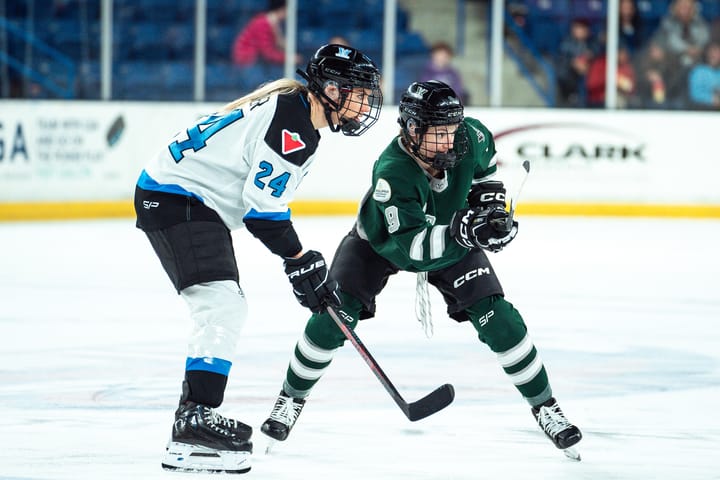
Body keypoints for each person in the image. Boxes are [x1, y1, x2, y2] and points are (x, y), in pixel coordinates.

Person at [260, 80, 583, 458]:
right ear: (412, 130)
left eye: (452, 130)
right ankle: (291, 399)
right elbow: (413, 248)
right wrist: (467, 231)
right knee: (333, 319)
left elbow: (486, 172)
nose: (449, 141)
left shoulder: (471, 135)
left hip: (451, 240)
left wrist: (491, 210)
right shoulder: (393, 171)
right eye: (439, 133)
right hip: (379, 245)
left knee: (500, 319)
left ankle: (546, 407)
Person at [133, 44, 382, 474]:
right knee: (222, 305)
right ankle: (194, 421)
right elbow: (262, 212)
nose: (364, 103)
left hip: (184, 198)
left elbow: (263, 208)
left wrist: (298, 261)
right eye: (357, 92)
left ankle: (191, 419)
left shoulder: (294, 111)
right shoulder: (295, 126)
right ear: (330, 89)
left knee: (222, 305)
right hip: (178, 199)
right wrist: (299, 259)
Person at [231, 0, 301, 71]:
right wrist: (288, 58)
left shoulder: (274, 24)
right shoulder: (262, 23)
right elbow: (267, 53)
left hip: (258, 63)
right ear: (282, 9)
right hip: (248, 64)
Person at [653, 0, 710, 69]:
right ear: (674, 8)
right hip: (672, 63)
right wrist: (687, 49)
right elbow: (670, 42)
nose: (685, 10)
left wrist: (697, 49)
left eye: (689, 7)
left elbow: (704, 40)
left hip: (697, 63)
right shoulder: (666, 23)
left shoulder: (701, 23)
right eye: (682, 6)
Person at [555, 18, 598, 107]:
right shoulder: (567, 43)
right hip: (567, 85)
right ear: (573, 29)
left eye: (584, 28)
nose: (581, 30)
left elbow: (594, 53)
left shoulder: (592, 43)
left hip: (588, 83)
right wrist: (576, 62)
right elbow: (570, 60)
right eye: (578, 27)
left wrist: (588, 57)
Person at [633, 41, 688, 109]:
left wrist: (661, 81)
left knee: (675, 104)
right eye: (653, 50)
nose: (655, 52)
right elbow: (638, 84)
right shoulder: (644, 64)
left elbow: (675, 84)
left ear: (663, 51)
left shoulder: (672, 64)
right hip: (649, 97)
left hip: (669, 96)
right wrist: (648, 79)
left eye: (657, 49)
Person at [687, 40, 720, 109]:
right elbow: (695, 94)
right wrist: (712, 99)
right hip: (703, 110)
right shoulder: (698, 71)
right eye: (711, 52)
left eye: (717, 52)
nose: (713, 55)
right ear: (707, 53)